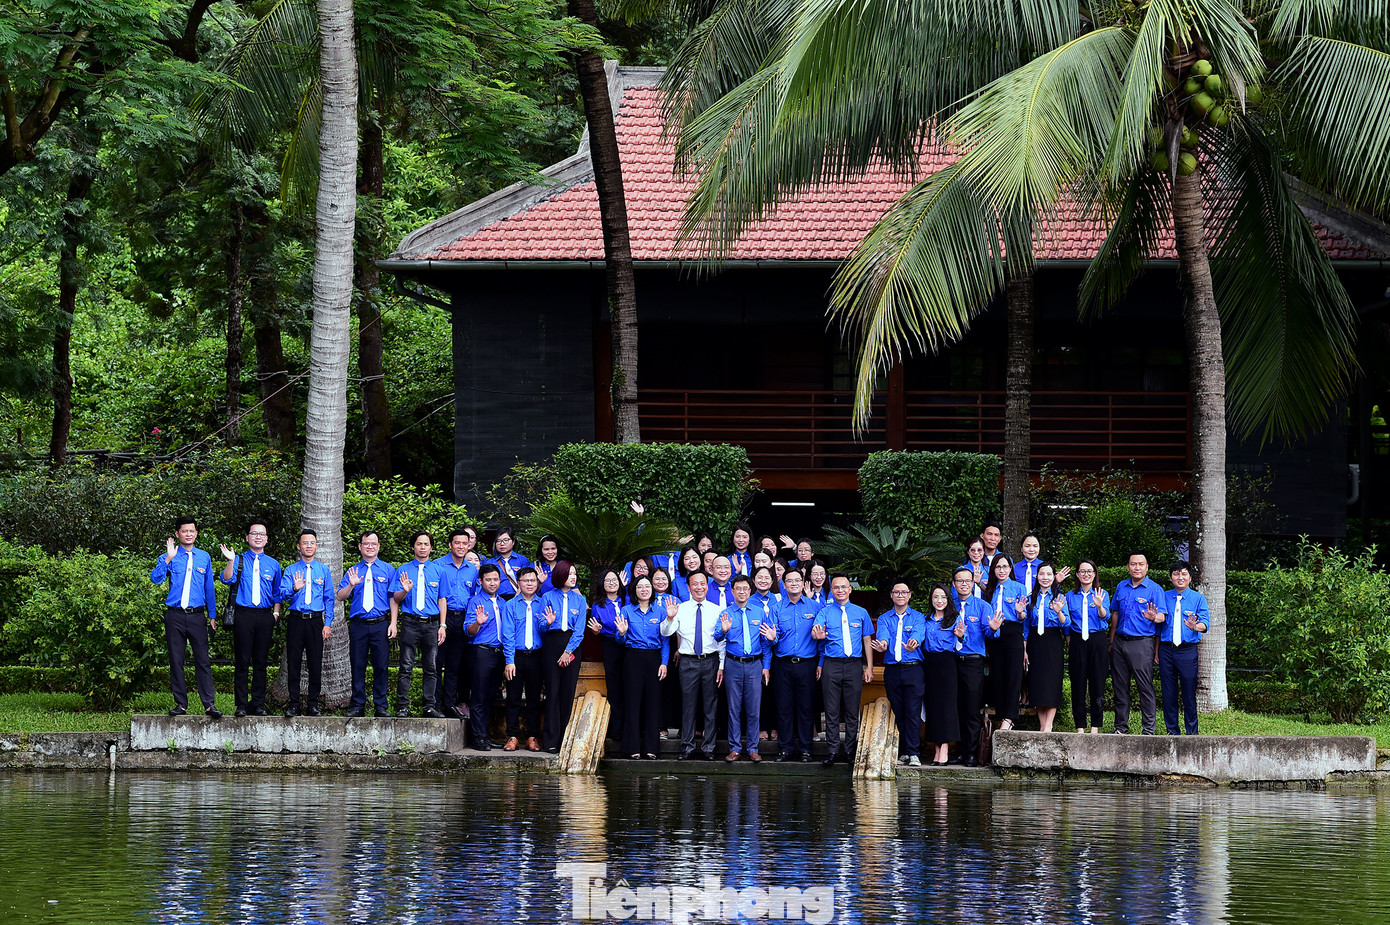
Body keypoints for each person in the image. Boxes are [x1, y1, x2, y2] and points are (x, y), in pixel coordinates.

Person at [150, 516, 220, 718]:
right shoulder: (169, 555)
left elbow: (209, 588)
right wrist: (168, 559)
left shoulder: (204, 557)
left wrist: (212, 615)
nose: (188, 534)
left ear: (196, 533)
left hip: (197, 616)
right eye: (184, 531)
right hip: (175, 616)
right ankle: (181, 704)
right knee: (176, 660)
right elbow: (156, 579)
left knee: (203, 660)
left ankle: (209, 704)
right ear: (177, 534)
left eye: (192, 531)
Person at [219, 521, 283, 718]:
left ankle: (258, 704)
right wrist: (230, 560)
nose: (258, 537)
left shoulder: (273, 564)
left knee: (261, 662)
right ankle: (241, 704)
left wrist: (276, 614)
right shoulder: (238, 560)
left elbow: (277, 593)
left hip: (265, 616)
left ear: (266, 539)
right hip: (243, 615)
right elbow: (226, 578)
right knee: (242, 661)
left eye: (261, 534)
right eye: (254, 533)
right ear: (247, 537)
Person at [661, 570, 725, 760]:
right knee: (688, 706)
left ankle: (709, 749)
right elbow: (666, 632)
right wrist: (670, 618)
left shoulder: (717, 610)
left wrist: (721, 665)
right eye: (694, 584)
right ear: (688, 587)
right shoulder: (681, 608)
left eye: (702, 583)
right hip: (688, 662)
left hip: (711, 660)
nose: (699, 587)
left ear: (707, 586)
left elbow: (722, 641)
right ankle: (687, 747)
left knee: (710, 706)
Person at [812, 574, 874, 767]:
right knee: (831, 710)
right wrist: (817, 634)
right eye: (836, 587)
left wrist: (869, 667)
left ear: (850, 589)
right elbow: (816, 630)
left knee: (851, 710)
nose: (840, 590)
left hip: (854, 665)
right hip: (832, 664)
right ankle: (831, 751)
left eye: (843, 587)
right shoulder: (825, 611)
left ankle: (849, 750)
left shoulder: (861, 612)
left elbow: (867, 640)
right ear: (831, 590)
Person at [335, 531, 399, 718]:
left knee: (381, 665)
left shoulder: (388, 570)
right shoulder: (353, 570)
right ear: (360, 547)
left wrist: (393, 623)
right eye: (366, 543)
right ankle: (357, 705)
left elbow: (393, 598)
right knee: (358, 665)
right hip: (359, 625)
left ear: (378, 546)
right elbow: (340, 596)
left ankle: (381, 705)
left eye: (373, 543)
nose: (370, 546)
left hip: (380, 624)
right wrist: (352, 585)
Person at [714, 575, 775, 762]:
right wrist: (723, 630)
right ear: (732, 592)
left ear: (750, 591)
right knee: (733, 707)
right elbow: (717, 638)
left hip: (754, 665)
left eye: (745, 588)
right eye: (738, 589)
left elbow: (766, 642)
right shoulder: (726, 613)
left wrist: (766, 666)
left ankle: (753, 748)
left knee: (753, 708)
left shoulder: (759, 612)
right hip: (733, 664)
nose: (741, 592)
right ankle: (734, 748)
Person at [1109, 550, 1168, 735]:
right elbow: (1115, 614)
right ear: (1128, 567)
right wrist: (1111, 642)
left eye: (1141, 564)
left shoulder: (1155, 589)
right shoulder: (1121, 586)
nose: (1137, 567)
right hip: (1120, 642)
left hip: (1141, 643)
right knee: (1120, 687)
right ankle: (1120, 728)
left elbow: (1162, 616)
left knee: (1145, 687)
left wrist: (1153, 617)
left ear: (1147, 567)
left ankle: (1148, 730)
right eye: (1133, 564)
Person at [279, 529, 334, 717]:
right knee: (293, 663)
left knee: (315, 663)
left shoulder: (324, 570)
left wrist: (328, 623)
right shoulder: (291, 570)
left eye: (312, 543)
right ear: (299, 546)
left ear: (316, 546)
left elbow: (329, 599)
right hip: (296, 620)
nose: (308, 546)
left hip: (316, 621)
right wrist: (295, 588)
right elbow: (281, 594)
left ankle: (313, 704)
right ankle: (294, 703)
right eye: (305, 543)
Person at [392, 531, 447, 717]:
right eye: (419, 544)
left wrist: (443, 625)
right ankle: (402, 707)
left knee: (431, 667)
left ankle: (429, 706)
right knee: (405, 666)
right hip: (410, 623)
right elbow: (396, 598)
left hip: (432, 624)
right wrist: (405, 590)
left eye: (426, 544)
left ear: (431, 547)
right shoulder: (403, 570)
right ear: (413, 546)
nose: (422, 547)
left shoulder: (439, 571)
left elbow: (442, 600)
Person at [870, 579, 925, 767]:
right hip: (892, 670)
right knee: (899, 711)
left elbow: (919, 633)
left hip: (913, 669)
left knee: (913, 712)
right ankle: (902, 752)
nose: (900, 595)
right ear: (891, 595)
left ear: (909, 595)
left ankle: (914, 752)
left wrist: (914, 643)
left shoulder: (918, 617)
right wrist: (883, 644)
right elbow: (883, 636)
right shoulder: (885, 618)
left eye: (904, 592)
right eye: (897, 592)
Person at [616, 575, 671, 759]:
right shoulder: (626, 611)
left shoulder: (661, 611)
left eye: (648, 586)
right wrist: (622, 633)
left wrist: (664, 662)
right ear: (635, 590)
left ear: (652, 590)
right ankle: (631, 747)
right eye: (640, 586)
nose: (644, 589)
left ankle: (651, 748)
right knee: (632, 702)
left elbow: (665, 640)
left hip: (654, 658)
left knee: (653, 702)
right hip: (633, 657)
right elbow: (619, 639)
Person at [539, 560, 586, 753]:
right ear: (560, 575)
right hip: (552, 643)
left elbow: (580, 630)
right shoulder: (548, 596)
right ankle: (550, 741)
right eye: (569, 573)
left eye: (575, 573)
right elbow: (540, 626)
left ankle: (564, 741)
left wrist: (568, 652)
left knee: (567, 694)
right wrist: (548, 622)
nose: (573, 577)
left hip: (572, 646)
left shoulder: (580, 600)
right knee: (552, 693)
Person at [771, 568, 818, 762]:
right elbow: (771, 638)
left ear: (803, 582)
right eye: (789, 581)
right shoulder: (777, 608)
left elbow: (821, 638)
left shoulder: (815, 607)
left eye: (797, 580)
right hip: (782, 663)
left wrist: (820, 663)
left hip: (807, 663)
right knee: (784, 707)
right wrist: (773, 639)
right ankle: (785, 748)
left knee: (806, 707)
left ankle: (806, 748)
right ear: (784, 584)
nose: (794, 584)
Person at [950, 566, 992, 766]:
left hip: (973, 661)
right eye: (960, 581)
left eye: (968, 581)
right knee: (956, 707)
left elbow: (991, 633)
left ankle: (972, 753)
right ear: (954, 584)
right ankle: (960, 750)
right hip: (952, 661)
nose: (964, 584)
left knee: (972, 709)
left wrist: (993, 629)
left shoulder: (983, 606)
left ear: (973, 582)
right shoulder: (948, 605)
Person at [1161, 561, 1209, 736]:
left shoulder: (1198, 598)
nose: (1180, 577)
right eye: (1176, 574)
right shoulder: (1163, 596)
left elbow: (1205, 623)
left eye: (1183, 574)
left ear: (1189, 577)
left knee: (1188, 693)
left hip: (1187, 651)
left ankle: (1192, 733)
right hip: (1166, 650)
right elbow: (1158, 626)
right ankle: (1172, 731)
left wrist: (1194, 627)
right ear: (1171, 577)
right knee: (1168, 693)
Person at [437, 528, 480, 720]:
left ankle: (449, 705)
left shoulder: (472, 570)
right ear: (450, 545)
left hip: (462, 619)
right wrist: (441, 623)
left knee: (455, 666)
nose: (461, 546)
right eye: (457, 543)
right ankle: (434, 705)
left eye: (465, 543)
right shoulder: (438, 565)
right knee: (436, 664)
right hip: (441, 619)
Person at [983, 554, 1028, 731]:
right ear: (993, 570)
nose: (1002, 570)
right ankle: (1002, 714)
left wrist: (1019, 612)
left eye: (1005, 567)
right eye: (998, 567)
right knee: (998, 675)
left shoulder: (1019, 588)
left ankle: (1009, 717)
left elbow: (1024, 618)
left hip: (1012, 631)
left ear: (1010, 569)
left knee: (1013, 675)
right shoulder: (990, 590)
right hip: (994, 632)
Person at [1064, 560, 1110, 734]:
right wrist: (1071, 643)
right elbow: (1067, 624)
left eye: (1090, 571)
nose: (1086, 574)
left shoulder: (1101, 593)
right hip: (1077, 641)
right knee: (1078, 683)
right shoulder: (1069, 596)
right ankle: (1080, 726)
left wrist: (1099, 606)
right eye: (1082, 571)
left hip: (1097, 640)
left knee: (1097, 683)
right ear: (1077, 574)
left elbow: (1105, 618)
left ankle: (1095, 726)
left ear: (1094, 574)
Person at [502, 566, 545, 750]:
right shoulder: (510, 605)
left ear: (537, 583)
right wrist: (509, 660)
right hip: (516, 656)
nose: (529, 584)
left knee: (534, 698)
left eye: (533, 580)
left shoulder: (543, 603)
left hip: (537, 657)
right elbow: (507, 634)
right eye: (526, 580)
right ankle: (512, 736)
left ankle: (532, 737)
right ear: (518, 583)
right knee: (513, 698)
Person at [465, 564, 506, 749]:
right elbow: (468, 631)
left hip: (500, 653)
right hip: (481, 652)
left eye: (495, 579)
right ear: (480, 581)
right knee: (479, 696)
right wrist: (478, 623)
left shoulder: (504, 603)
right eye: (488, 580)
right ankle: (477, 738)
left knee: (490, 696)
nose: (492, 583)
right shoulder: (475, 602)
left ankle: (485, 735)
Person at [1024, 562, 1067, 732]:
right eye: (1042, 574)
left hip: (1053, 641)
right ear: (1037, 576)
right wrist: (1025, 650)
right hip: (1035, 642)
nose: (1045, 578)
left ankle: (1048, 725)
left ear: (1053, 576)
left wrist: (1059, 612)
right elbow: (1026, 626)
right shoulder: (1030, 598)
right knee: (1037, 683)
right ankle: (1042, 726)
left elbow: (1067, 624)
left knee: (1052, 683)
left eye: (1049, 574)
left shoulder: (1059, 597)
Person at [921, 582, 961, 766]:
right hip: (928, 665)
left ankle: (944, 748)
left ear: (948, 599)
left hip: (947, 664)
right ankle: (936, 748)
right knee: (933, 708)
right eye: (936, 596)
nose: (939, 600)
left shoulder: (954, 618)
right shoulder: (925, 620)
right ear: (931, 599)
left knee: (946, 708)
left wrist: (960, 635)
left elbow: (962, 641)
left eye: (943, 597)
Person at [588, 568, 627, 739]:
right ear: (602, 585)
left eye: (614, 579)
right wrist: (596, 632)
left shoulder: (628, 601)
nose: (612, 583)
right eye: (608, 580)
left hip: (630, 646)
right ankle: (616, 731)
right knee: (614, 687)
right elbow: (597, 629)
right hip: (610, 646)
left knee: (630, 686)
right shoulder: (598, 606)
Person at [487, 527, 529, 599]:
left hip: (518, 598)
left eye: (506, 540)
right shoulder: (490, 562)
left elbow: (527, 580)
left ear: (513, 542)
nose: (502, 543)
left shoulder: (522, 560)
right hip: (497, 599)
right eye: (498, 541)